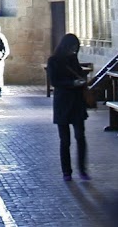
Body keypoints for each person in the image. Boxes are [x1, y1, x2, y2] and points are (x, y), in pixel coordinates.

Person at [46, 32, 90, 182]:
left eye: (76, 48)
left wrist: (80, 82)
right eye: (72, 47)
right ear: (65, 46)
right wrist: (71, 84)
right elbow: (55, 81)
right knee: (65, 140)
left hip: (77, 103)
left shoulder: (73, 59)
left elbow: (78, 74)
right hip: (62, 104)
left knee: (80, 137)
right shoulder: (53, 61)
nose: (74, 50)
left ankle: (82, 170)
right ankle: (67, 172)